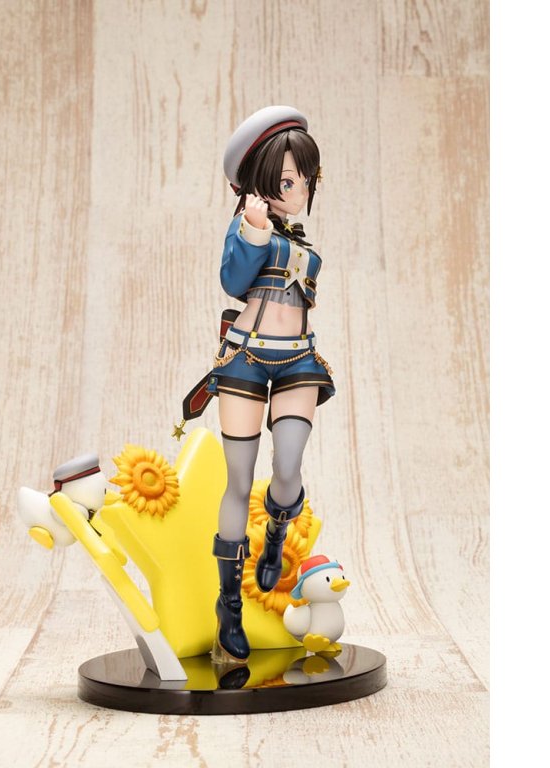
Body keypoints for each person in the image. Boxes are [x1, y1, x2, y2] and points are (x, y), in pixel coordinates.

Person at [206, 106, 335, 665]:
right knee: (239, 480)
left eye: (304, 180)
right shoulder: (248, 229)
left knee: (288, 466)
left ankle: (277, 535)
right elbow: (233, 281)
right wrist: (255, 233)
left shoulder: (303, 242)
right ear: (257, 184)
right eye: (286, 182)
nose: (298, 191)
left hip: (298, 359)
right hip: (247, 358)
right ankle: (229, 603)